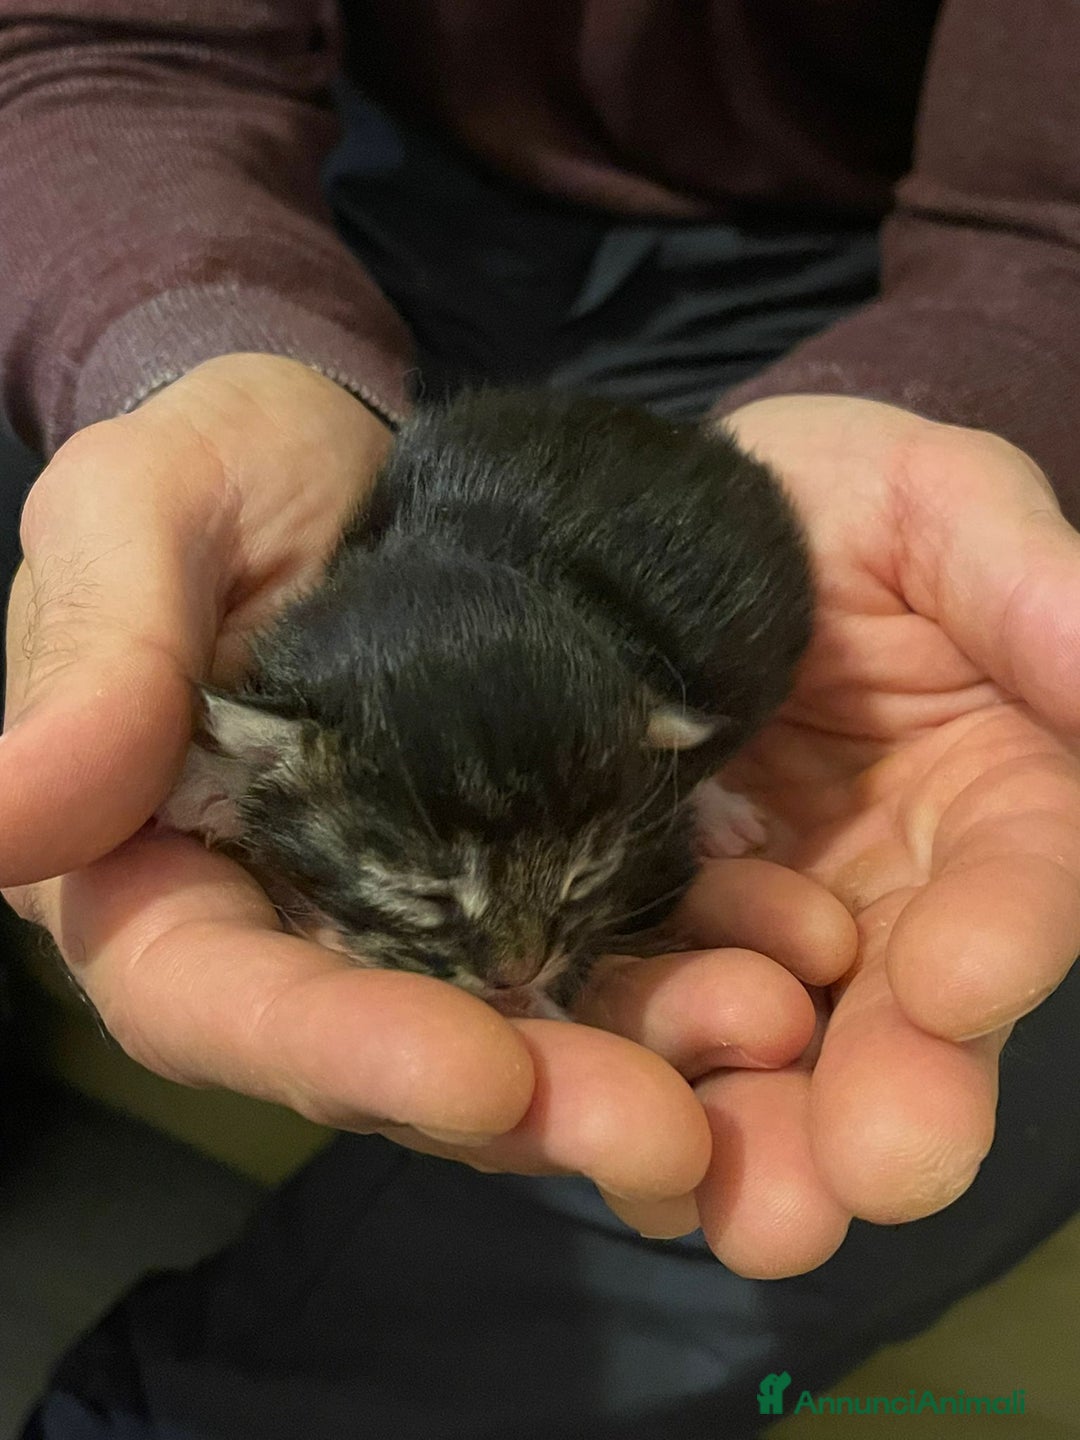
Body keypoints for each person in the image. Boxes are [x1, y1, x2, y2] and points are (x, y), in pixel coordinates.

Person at [2, 2, 1080, 1435]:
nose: (516, 966)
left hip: (860, 290)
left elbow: (1053, 221)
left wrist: (970, 405)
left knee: (876, 1088)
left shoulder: (666, 664)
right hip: (318, 190)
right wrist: (187, 348)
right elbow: (92, 40)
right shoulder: (358, 663)